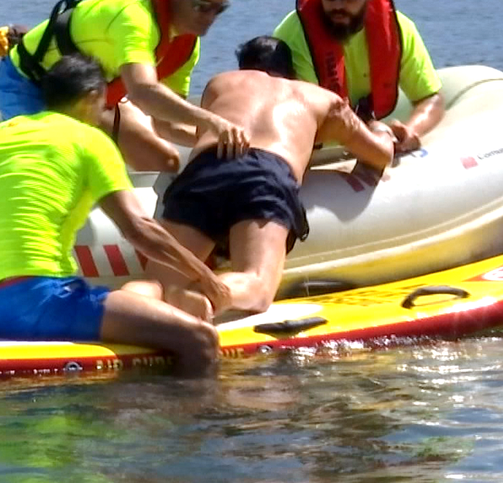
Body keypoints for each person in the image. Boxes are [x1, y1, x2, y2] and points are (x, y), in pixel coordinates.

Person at [0, 54, 229, 376]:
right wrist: (205, 275)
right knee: (199, 339)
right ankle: (186, 423)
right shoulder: (91, 142)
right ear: (92, 96)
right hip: (42, 301)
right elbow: (139, 229)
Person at [139, 36, 395, 317]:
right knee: (257, 281)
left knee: (157, 282)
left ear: (242, 69)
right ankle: (210, 295)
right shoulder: (322, 99)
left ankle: (131, 301)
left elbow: (204, 136)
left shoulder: (221, 83)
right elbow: (379, 155)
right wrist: (382, 131)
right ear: (292, 73)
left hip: (207, 166)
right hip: (266, 172)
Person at [0, 0, 250, 173]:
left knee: (166, 162)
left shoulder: (186, 45)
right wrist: (212, 121)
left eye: (219, 8)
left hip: (90, 98)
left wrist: (222, 141)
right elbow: (142, 91)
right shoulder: (135, 20)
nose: (210, 16)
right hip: (30, 84)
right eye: (202, 5)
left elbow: (166, 124)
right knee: (65, 169)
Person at [269, 0, 443, 154]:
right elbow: (305, 120)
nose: (338, 5)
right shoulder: (293, 35)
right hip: (314, 155)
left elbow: (430, 98)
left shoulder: (399, 29)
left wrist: (410, 130)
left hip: (368, 143)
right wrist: (377, 133)